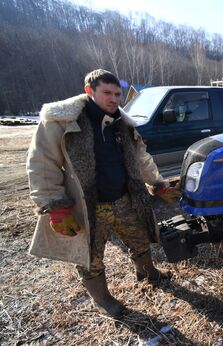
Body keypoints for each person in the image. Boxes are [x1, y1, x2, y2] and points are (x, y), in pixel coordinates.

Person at [26, 69, 179, 317]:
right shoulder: (62, 121)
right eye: (107, 93)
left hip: (123, 199)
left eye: (117, 94)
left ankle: (148, 272)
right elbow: (42, 164)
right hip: (87, 205)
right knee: (90, 256)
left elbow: (141, 158)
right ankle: (103, 299)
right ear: (90, 91)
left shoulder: (124, 123)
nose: (114, 99)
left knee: (140, 237)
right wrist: (56, 205)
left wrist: (158, 183)